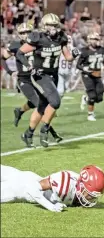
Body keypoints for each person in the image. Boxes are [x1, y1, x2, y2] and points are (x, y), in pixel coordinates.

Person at [16, 13, 80, 148]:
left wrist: (73, 55)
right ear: (44, 26)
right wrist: (29, 66)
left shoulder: (61, 37)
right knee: (55, 101)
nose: (53, 28)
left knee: (42, 106)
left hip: (53, 74)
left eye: (55, 25)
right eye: (50, 25)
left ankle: (28, 134)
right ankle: (45, 129)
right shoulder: (37, 38)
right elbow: (20, 53)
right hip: (40, 74)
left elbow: (67, 57)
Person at [1, 23, 62, 144]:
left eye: (28, 32)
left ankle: (20, 111)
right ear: (19, 34)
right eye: (23, 33)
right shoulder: (15, 45)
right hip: (24, 80)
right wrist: (10, 71)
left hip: (38, 78)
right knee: (40, 105)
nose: (25, 35)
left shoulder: (37, 42)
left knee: (43, 104)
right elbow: (3, 58)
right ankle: (48, 133)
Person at [1, 164, 104, 211]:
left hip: (25, 177)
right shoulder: (65, 183)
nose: (91, 198)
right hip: (19, 187)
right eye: (89, 194)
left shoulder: (78, 186)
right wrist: (51, 207)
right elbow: (31, 188)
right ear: (81, 185)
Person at [77, 32, 104, 121]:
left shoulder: (101, 49)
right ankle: (90, 114)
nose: (95, 41)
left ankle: (85, 98)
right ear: (89, 40)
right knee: (92, 96)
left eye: (96, 39)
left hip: (97, 74)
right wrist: (84, 68)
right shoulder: (84, 50)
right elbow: (78, 65)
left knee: (100, 97)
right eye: (93, 39)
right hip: (87, 75)